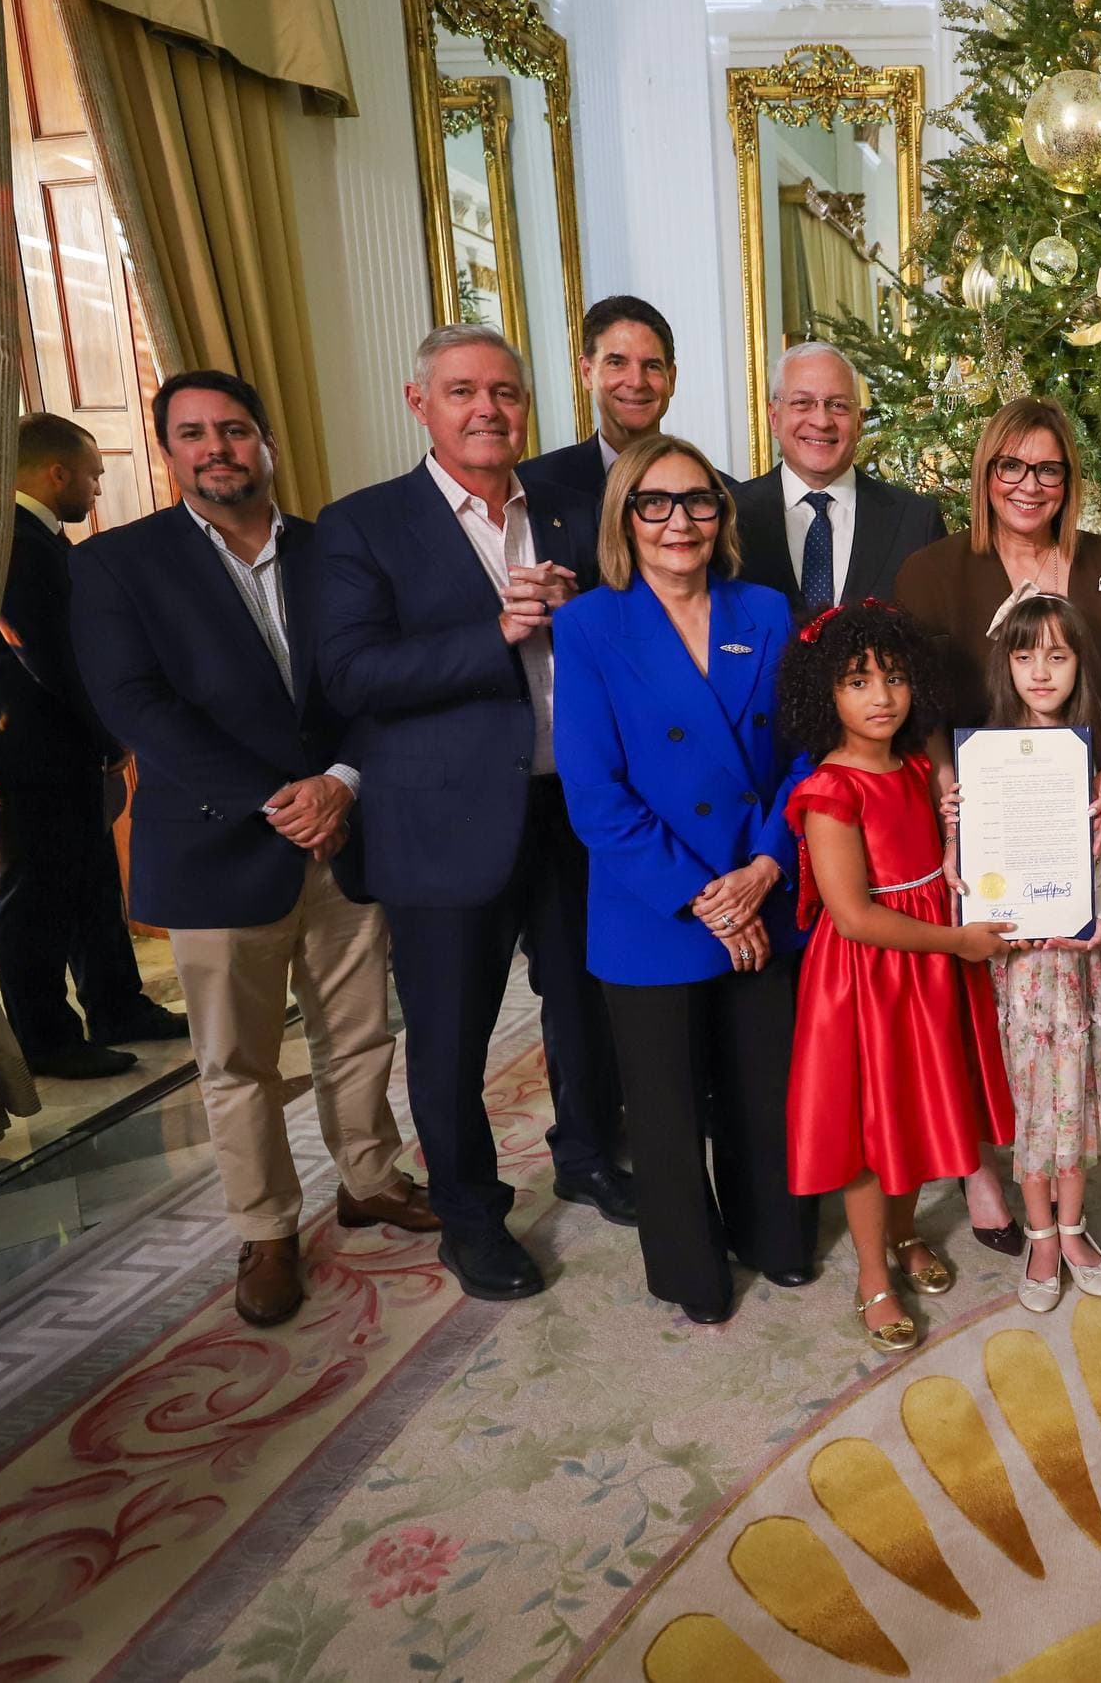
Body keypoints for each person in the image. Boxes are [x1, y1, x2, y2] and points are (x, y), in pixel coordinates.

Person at [70, 371, 434, 1328]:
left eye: (233, 430)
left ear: (266, 441)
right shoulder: (118, 566)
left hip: (342, 829)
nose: (217, 448)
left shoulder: (332, 550)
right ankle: (267, 1228)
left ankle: (369, 1179)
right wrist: (279, 799)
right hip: (215, 846)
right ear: (168, 452)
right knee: (237, 1061)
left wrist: (341, 784)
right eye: (193, 434)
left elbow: (370, 683)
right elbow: (136, 706)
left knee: (358, 1031)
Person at [317, 325, 634, 1304]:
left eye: (504, 391)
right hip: (443, 823)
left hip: (570, 808)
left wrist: (585, 614)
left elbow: (626, 635)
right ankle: (470, 1214)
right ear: (423, 405)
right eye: (462, 392)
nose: (487, 409)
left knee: (586, 1006)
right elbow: (352, 674)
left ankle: (586, 1152)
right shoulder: (364, 523)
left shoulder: (574, 511)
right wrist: (493, 630)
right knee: (450, 1035)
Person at [551, 434, 819, 1325]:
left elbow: (800, 756)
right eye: (655, 503)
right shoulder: (589, 624)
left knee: (761, 1084)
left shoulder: (767, 611)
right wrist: (708, 897)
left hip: (760, 885)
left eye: (698, 501)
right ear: (624, 517)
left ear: (722, 514)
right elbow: (595, 796)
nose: (679, 521)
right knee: (664, 1108)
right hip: (654, 904)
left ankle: (774, 1237)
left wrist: (766, 865)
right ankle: (689, 1271)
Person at [892, 397, 1101, 1254]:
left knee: (1070, 1043)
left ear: (1069, 480)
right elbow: (921, 705)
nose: (1028, 484)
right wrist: (944, 792)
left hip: (1082, 823)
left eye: (1048, 468)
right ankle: (992, 1179)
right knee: (993, 1030)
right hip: (987, 833)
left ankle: (1065, 1214)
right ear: (984, 473)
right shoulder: (934, 572)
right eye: (1010, 465)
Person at [779, 602, 1016, 1350]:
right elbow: (852, 916)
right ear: (827, 695)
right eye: (857, 681)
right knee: (868, 1128)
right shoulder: (830, 789)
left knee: (912, 1112)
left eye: (896, 678)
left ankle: (909, 1232)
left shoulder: (917, 769)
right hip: (869, 978)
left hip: (927, 971)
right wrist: (956, 940)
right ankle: (870, 1272)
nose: (882, 696)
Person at [970, 592, 1101, 1311]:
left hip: (1084, 966)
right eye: (1025, 657)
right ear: (1007, 664)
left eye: (1058, 655)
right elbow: (970, 868)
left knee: (1076, 1098)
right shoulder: (984, 764)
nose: (1042, 672)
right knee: (1032, 1104)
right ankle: (1041, 1234)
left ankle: (1076, 1225)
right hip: (1018, 972)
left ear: (1080, 663)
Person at [0, 414, 183, 1079]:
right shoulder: (12, 540)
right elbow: (47, 657)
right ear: (56, 473)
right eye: (94, 475)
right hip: (28, 752)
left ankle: (117, 1004)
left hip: (61, 747)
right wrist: (112, 732)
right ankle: (46, 1037)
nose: (99, 488)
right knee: (38, 896)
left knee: (93, 882)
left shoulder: (44, 540)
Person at [732, 342, 944, 624]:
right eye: (802, 403)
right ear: (773, 418)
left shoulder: (917, 522)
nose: (821, 420)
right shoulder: (729, 515)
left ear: (859, 422)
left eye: (838, 405)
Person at [520, 295, 679, 501]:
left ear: (671, 379)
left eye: (652, 366)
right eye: (616, 363)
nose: (637, 382)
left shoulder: (717, 492)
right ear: (587, 373)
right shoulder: (533, 486)